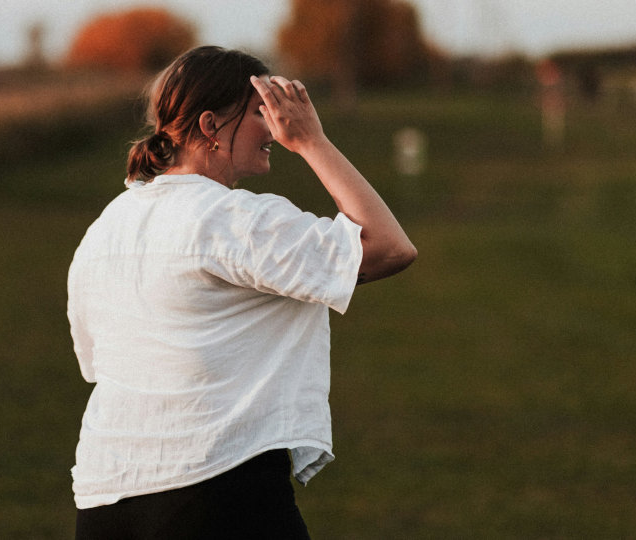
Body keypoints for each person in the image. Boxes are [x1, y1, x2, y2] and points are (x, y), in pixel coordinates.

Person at [67, 46, 417, 539]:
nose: (276, 129)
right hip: (216, 494)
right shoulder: (232, 219)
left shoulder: (106, 227)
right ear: (210, 125)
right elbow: (388, 247)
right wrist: (313, 142)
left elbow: (96, 364)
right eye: (261, 113)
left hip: (106, 502)